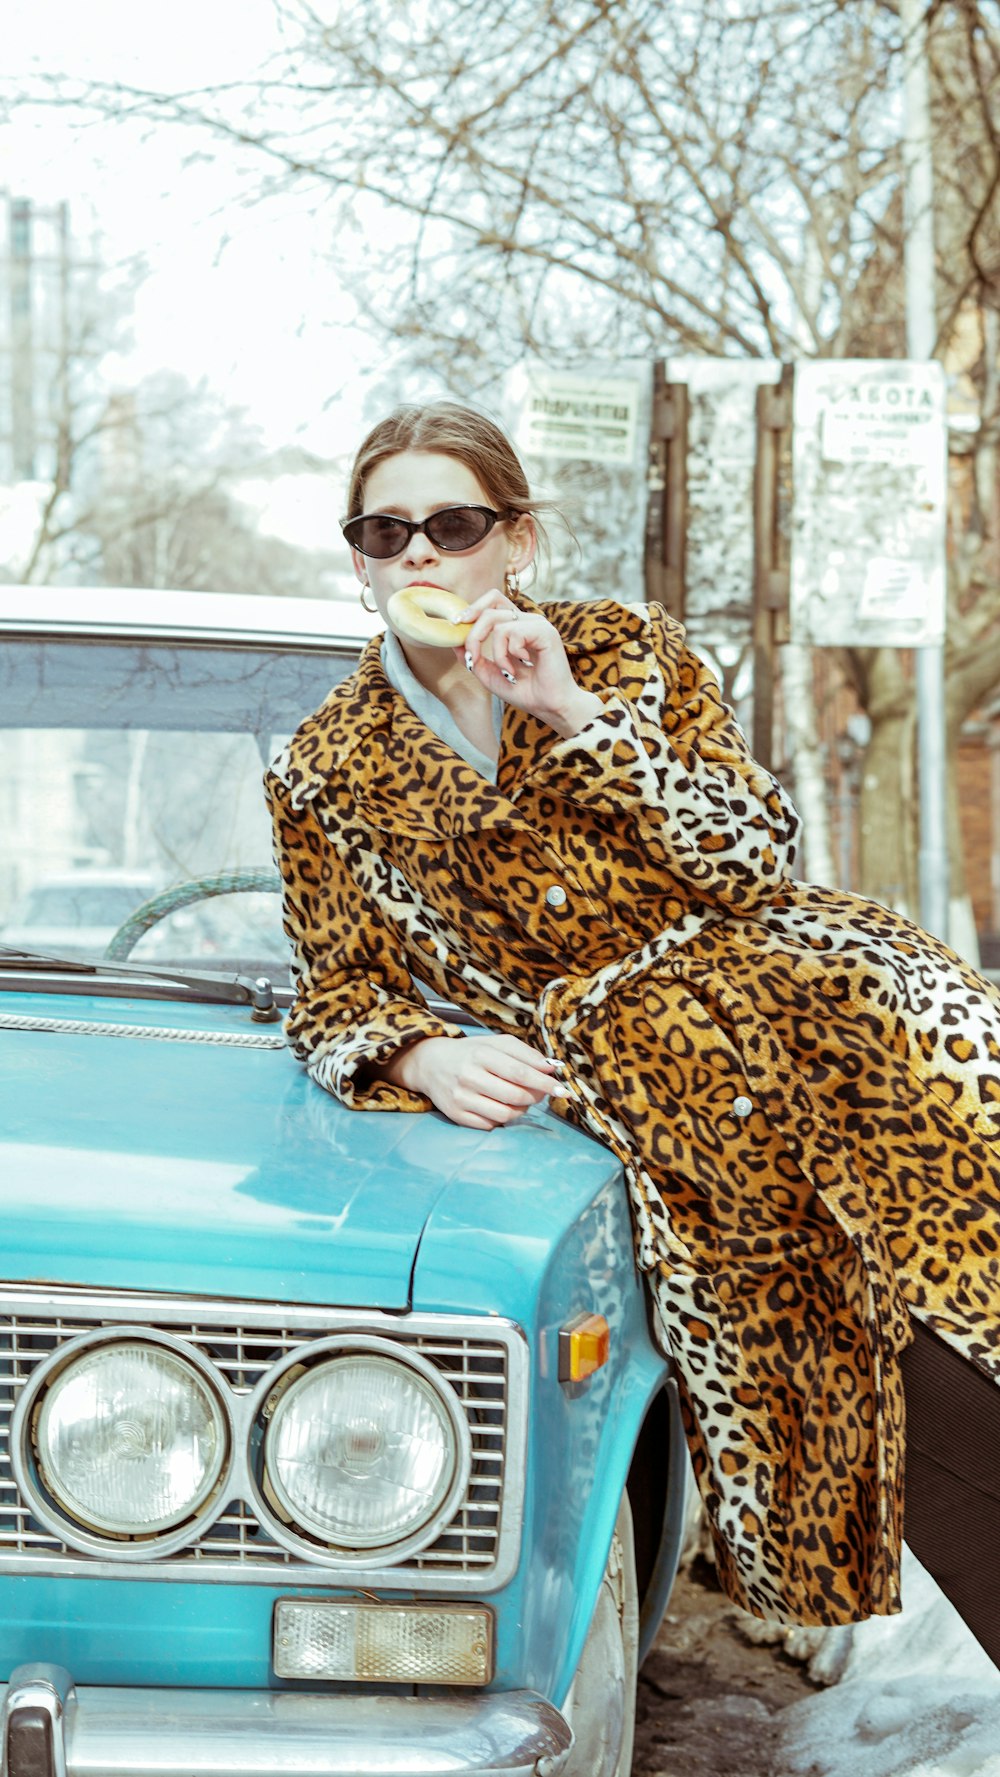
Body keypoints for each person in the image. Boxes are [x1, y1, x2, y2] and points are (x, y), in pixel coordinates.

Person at [265, 400, 1000, 1665]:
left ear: (518, 541)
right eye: (389, 531)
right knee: (871, 1391)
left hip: (827, 1037)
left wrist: (570, 712)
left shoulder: (622, 653)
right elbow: (333, 987)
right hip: (661, 1115)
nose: (422, 555)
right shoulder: (323, 767)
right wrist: (419, 1053)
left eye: (454, 522)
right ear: (361, 562)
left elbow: (751, 848)